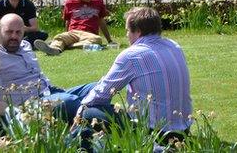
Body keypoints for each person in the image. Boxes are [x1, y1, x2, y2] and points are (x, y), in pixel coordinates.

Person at [75, 7, 192, 143]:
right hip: (183, 131)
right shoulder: (174, 46)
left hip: (153, 133)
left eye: (127, 30)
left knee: (89, 112)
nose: (126, 35)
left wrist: (80, 110)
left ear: (138, 32)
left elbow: (102, 95)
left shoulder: (132, 55)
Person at [35, 0, 113, 56]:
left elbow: (101, 22)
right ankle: (54, 49)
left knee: (97, 39)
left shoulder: (99, 2)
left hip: (90, 34)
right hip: (73, 32)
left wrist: (109, 40)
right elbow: (67, 21)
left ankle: (68, 46)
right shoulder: (70, 3)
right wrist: (67, 34)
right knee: (60, 37)